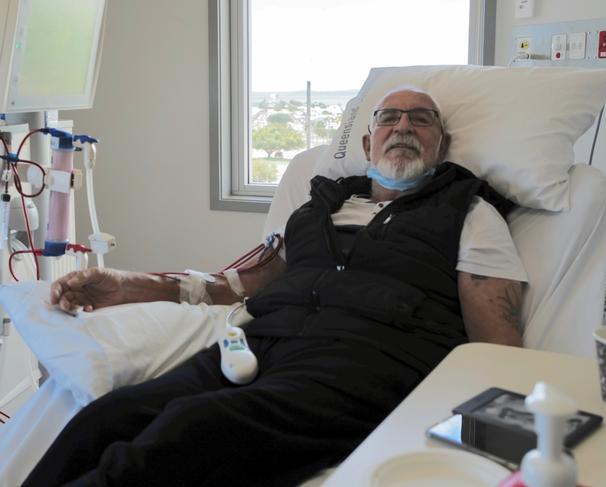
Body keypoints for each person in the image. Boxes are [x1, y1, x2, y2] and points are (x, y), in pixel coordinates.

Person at [24, 88, 526, 486]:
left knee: (182, 435)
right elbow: (240, 283)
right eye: (388, 117)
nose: (404, 127)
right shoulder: (315, 211)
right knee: (107, 418)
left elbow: (498, 350)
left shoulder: (469, 215)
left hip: (365, 365)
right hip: (260, 345)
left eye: (422, 118)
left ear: (441, 144)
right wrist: (129, 284)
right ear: (368, 143)